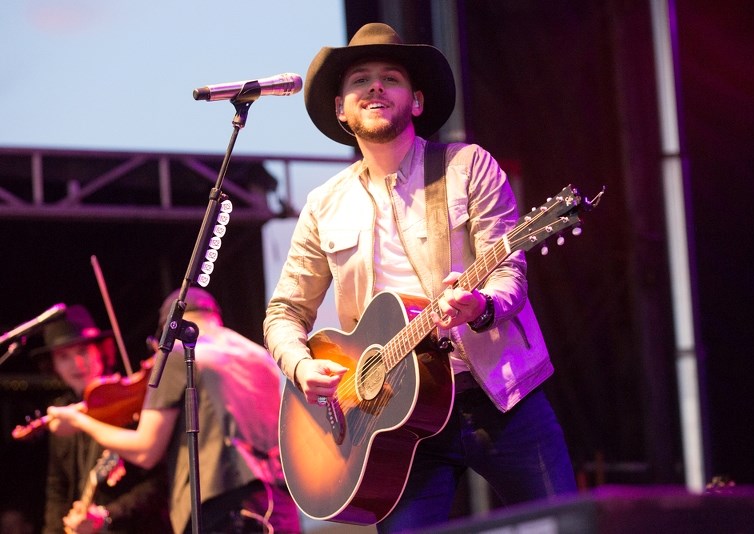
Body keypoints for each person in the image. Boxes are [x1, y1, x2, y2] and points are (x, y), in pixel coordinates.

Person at [263, 22, 577, 532]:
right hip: (392, 420)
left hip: (498, 396)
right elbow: (284, 312)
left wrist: (481, 306)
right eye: (360, 79)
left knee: (565, 526)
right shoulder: (324, 205)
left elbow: (509, 272)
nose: (375, 86)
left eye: (391, 77)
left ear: (416, 100)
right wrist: (301, 368)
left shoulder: (466, 166)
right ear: (342, 109)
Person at [47, 288, 301, 534]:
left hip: (222, 508)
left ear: (169, 327)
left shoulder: (179, 352)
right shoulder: (260, 355)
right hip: (280, 505)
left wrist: (80, 421)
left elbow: (146, 450)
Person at [32, 305, 170, 533]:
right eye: (64, 357)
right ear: (53, 365)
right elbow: (57, 488)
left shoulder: (130, 404)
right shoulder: (61, 412)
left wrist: (108, 516)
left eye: (83, 352)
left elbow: (161, 480)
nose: (76, 364)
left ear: (101, 351)